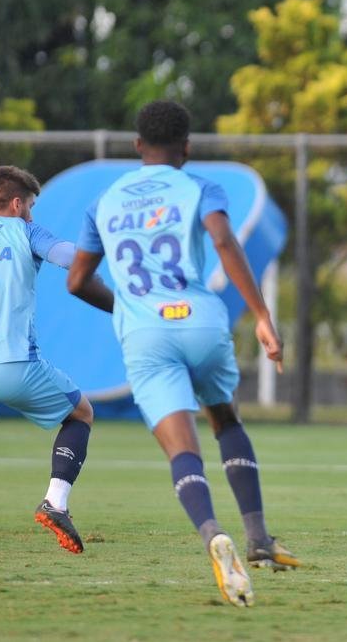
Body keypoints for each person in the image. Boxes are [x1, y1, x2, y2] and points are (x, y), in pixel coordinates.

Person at [67, 100, 299, 608]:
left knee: (182, 451)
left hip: (145, 333)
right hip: (200, 321)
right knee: (226, 419)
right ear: (187, 147)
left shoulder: (105, 200)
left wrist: (129, 306)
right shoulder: (199, 187)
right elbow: (224, 241)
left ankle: (214, 533)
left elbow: (77, 280)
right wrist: (262, 315)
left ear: (137, 145)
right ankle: (259, 536)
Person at [0, 165, 113, 553]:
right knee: (81, 413)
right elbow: (72, 258)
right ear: (17, 204)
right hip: (11, 362)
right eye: (31, 207)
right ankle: (56, 502)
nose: (32, 216)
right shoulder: (26, 231)